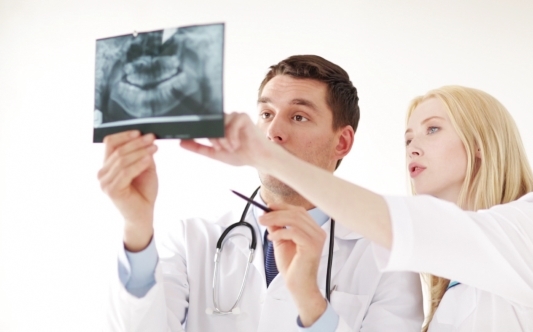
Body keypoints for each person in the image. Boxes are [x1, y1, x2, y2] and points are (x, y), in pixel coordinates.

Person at [187, 85, 533, 332]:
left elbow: (403, 225)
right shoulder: (447, 285)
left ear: (480, 144)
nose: (413, 145)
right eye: (408, 137)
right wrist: (308, 297)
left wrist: (269, 156)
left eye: (433, 129)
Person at [98, 55, 424, 331]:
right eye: (266, 114)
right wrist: (136, 225)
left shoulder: (386, 257)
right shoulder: (192, 240)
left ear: (342, 142)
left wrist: (310, 299)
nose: (273, 132)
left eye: (299, 116)